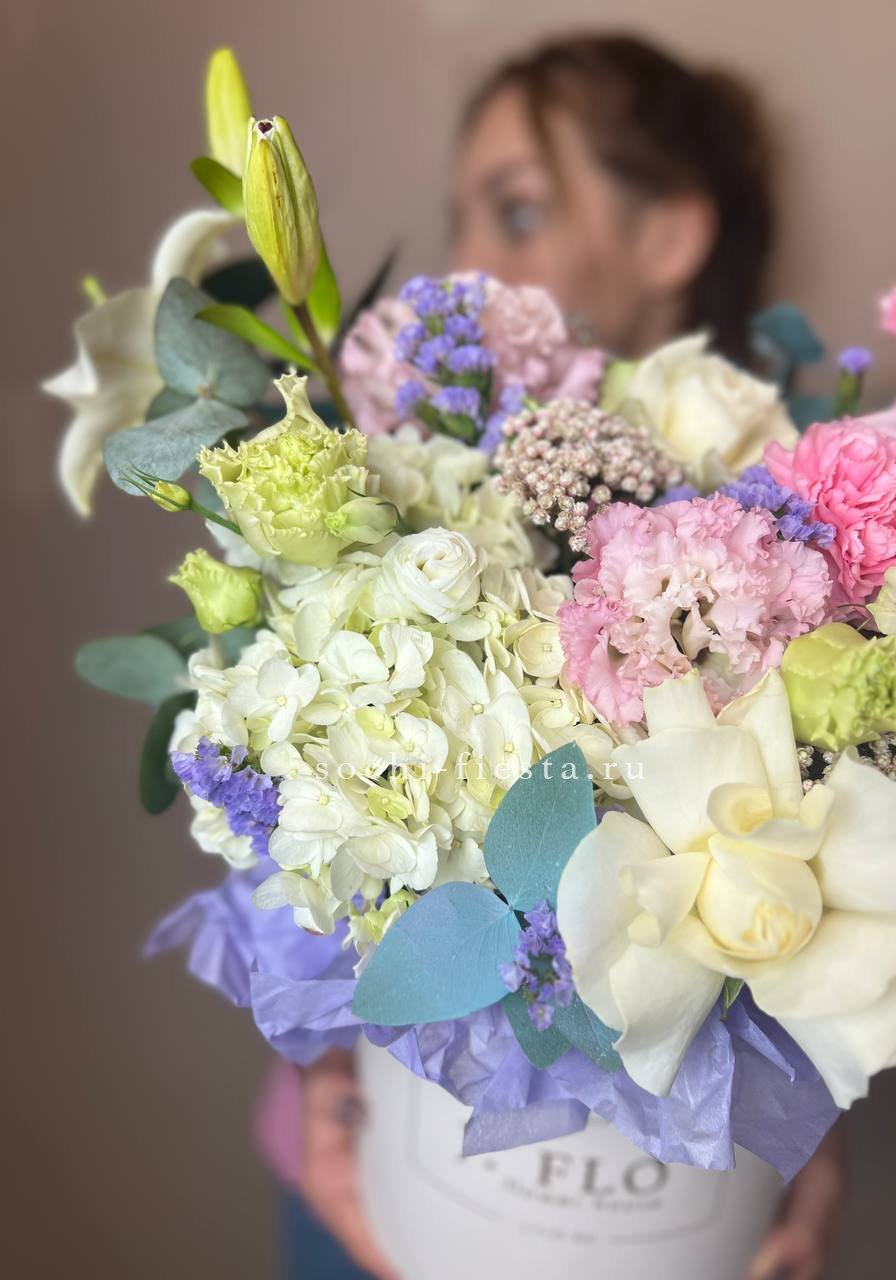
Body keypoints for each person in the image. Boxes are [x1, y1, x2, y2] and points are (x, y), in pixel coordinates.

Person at [270, 31, 848, 1280]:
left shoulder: (809, 549)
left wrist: (810, 1169)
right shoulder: (395, 501)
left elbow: (843, 931)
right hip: (388, 1199)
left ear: (669, 237)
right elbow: (302, 856)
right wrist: (308, 1103)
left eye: (519, 210)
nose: (467, 265)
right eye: (462, 217)